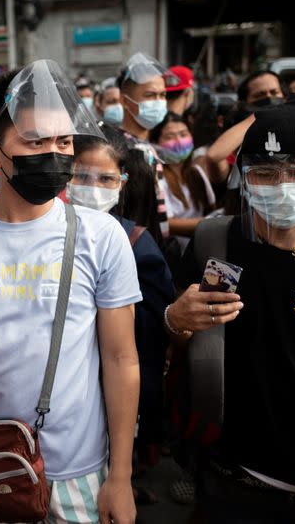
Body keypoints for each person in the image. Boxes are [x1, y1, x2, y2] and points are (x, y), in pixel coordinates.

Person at [0, 60, 140, 524]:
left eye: (63, 141)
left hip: (79, 471)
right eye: (34, 142)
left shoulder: (101, 234)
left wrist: (121, 477)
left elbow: (121, 358)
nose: (53, 153)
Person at [166, 101, 295, 523]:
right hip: (236, 478)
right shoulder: (216, 243)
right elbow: (177, 343)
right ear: (245, 180)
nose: (283, 187)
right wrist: (175, 321)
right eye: (266, 175)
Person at [70, 123, 175, 504]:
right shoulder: (44, 231)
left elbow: (154, 319)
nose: (91, 186)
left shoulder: (133, 239)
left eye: (105, 178)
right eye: (80, 175)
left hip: (113, 379)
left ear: (122, 182)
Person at [118, 52, 176, 240]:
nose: (159, 102)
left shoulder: (147, 146)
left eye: (163, 95)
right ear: (125, 101)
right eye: (150, 95)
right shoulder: (120, 148)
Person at [151, 112, 216, 251]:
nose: (179, 141)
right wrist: (212, 224)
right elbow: (166, 224)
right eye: (170, 137)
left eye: (183, 134)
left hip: (201, 248)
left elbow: (211, 208)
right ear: (156, 143)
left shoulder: (196, 172)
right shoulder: (157, 177)